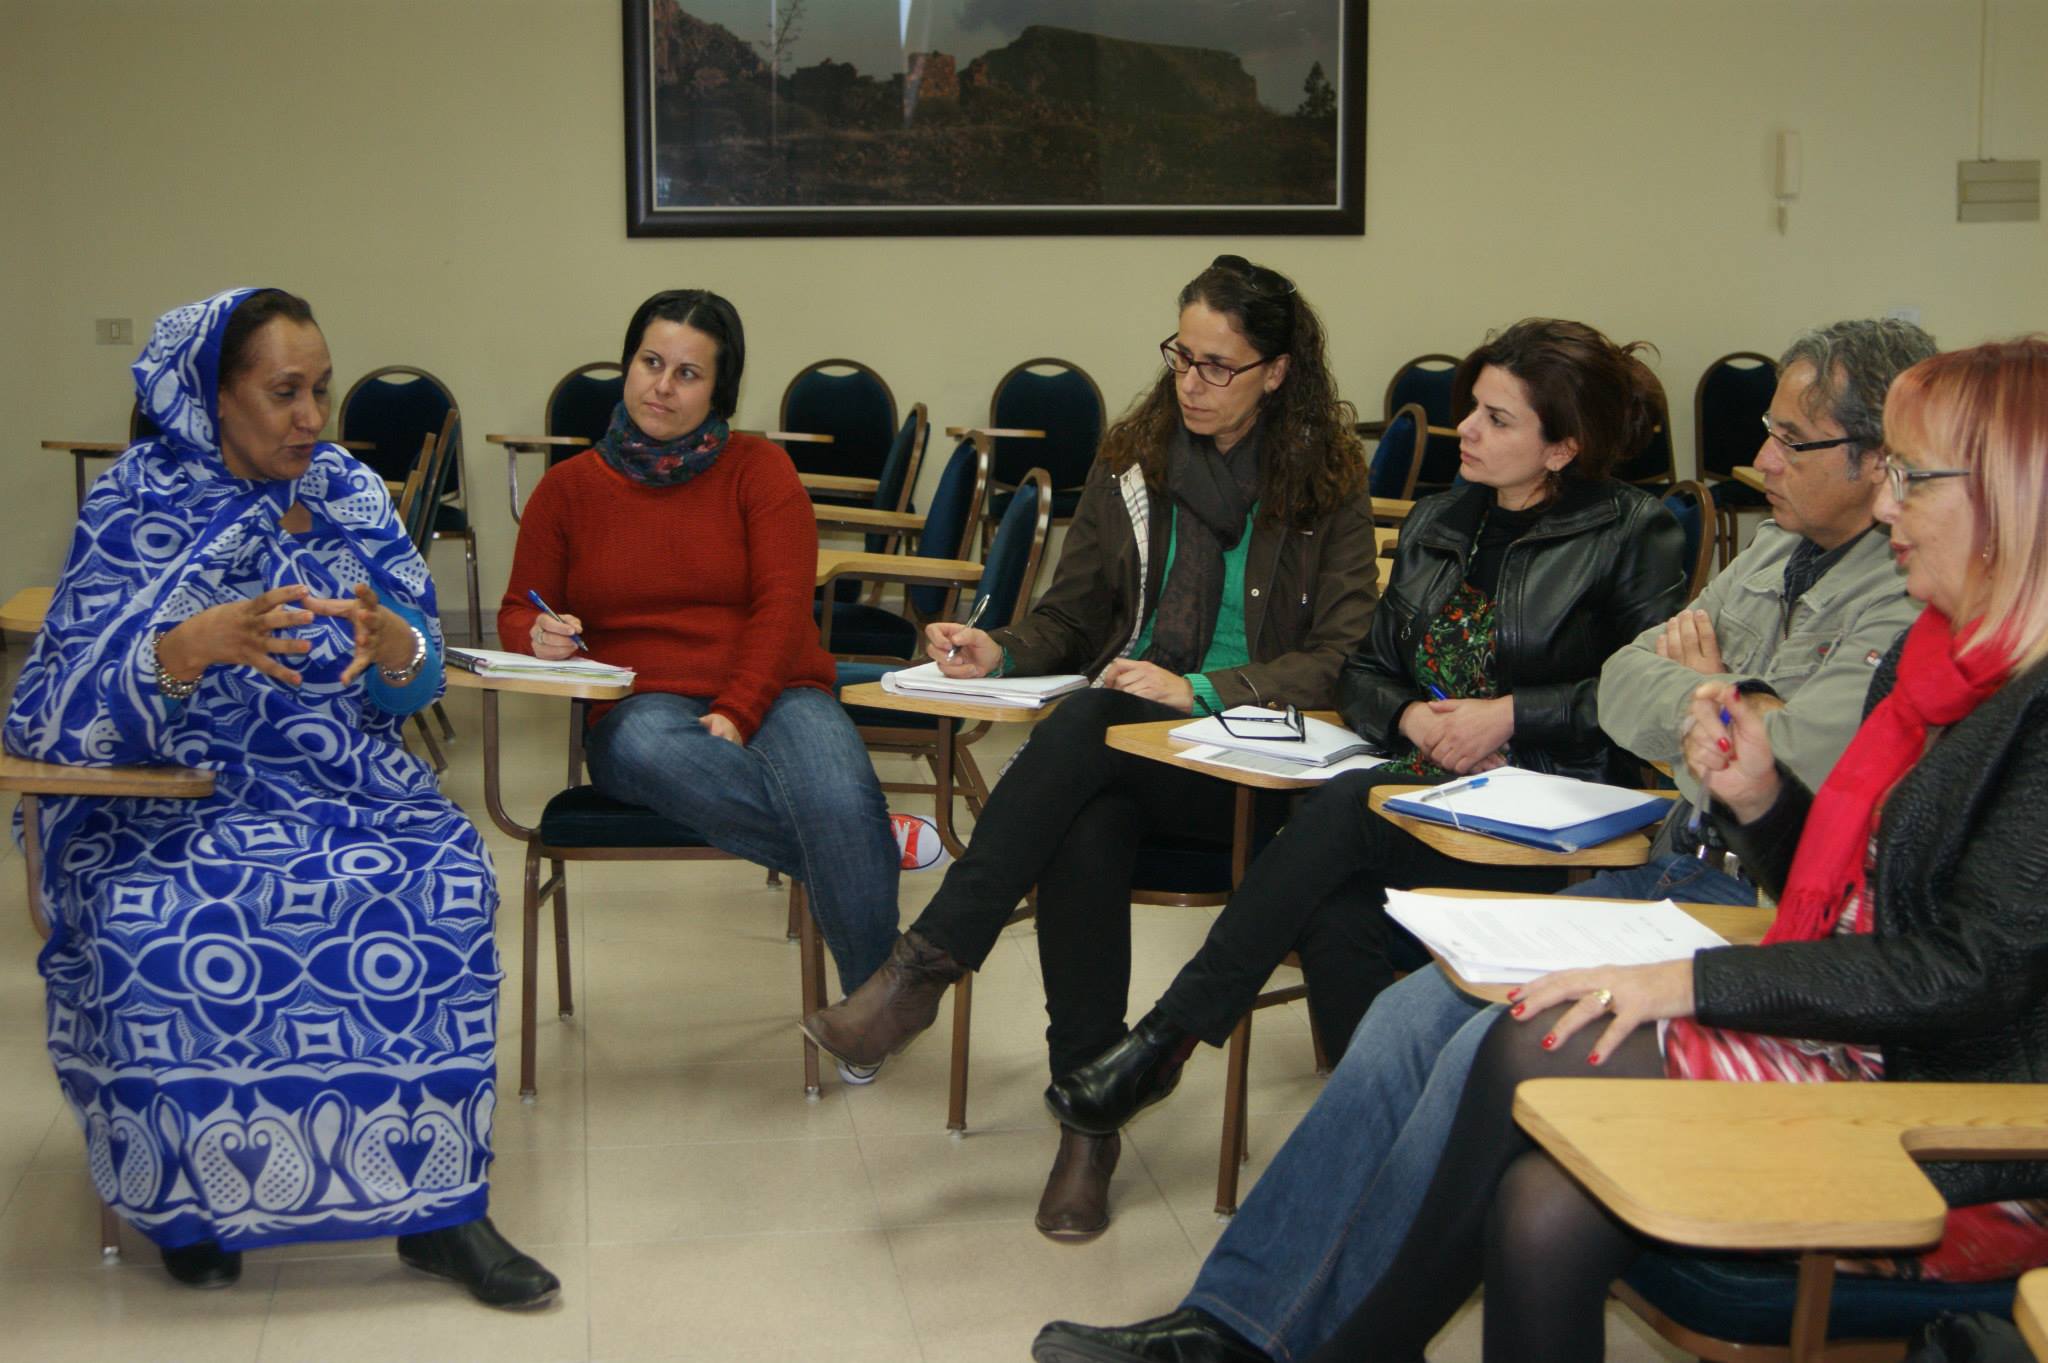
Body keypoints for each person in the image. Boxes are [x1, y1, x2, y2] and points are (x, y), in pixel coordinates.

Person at [1031, 316, 1937, 1363]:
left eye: (1791, 440)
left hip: (1711, 881)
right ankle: (1233, 1322)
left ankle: (1201, 1129)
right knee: (1406, 1012)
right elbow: (1640, 691)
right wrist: (1712, 705)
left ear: (1878, 463)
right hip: (1666, 862)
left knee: (1453, 1011)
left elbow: (1738, 742)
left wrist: (1693, 700)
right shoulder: (1770, 550)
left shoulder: (1879, 589)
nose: (1759, 460)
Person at [1299, 335, 2048, 1363]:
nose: (1885, 509)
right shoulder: (1932, 660)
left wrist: (1691, 982)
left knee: (1544, 1034)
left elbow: (1964, 975)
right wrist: (1761, 799)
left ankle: (1345, 1349)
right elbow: (1847, 901)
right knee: (1539, 1199)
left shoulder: (2031, 711)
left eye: (1909, 482)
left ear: (2010, 497)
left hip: (1960, 1122)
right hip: (1865, 1035)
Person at [800, 254, 1381, 1240]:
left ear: (1276, 372)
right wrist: (1001, 647)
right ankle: (1086, 1119)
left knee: (1082, 732)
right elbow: (1069, 618)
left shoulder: (1327, 480)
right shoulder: (1133, 457)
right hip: (1126, 749)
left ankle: (924, 970)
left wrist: (1195, 685)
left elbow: (1341, 655)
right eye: (1180, 356)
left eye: (1217, 366)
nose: (1189, 383)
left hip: (1250, 767)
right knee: (1084, 818)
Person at [3, 289, 557, 1306]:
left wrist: (397, 647)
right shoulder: (134, 501)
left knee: (435, 883)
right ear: (211, 400)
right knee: (157, 918)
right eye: (284, 392)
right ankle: (192, 1203)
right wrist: (182, 650)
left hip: (339, 781)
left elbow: (419, 674)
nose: (313, 417)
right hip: (167, 793)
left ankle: (440, 1212)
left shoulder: (347, 489)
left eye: (321, 390)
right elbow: (50, 709)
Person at [1045, 317, 1687, 1133]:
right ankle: (1376, 1126)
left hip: (1550, 821)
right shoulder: (1441, 521)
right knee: (1332, 902)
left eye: (1498, 419)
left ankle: (1165, 1039)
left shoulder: (1634, 533)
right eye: (1473, 409)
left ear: (1561, 448)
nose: (1469, 432)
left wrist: (1512, 714)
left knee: (1340, 811)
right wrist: (1412, 712)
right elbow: (1363, 670)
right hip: (1425, 797)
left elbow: (1648, 698)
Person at [497, 289, 899, 1080]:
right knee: (830, 805)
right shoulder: (568, 489)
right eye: (651, 363)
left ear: (720, 391)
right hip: (638, 707)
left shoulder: (760, 468)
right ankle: (867, 845)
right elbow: (517, 610)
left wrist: (737, 711)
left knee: (834, 782)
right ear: (627, 364)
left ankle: (872, 1014)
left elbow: (784, 610)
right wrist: (538, 636)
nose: (661, 387)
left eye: (687, 373)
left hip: (774, 682)